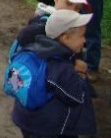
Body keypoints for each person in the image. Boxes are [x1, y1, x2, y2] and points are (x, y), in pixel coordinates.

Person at [11, 9, 96, 138]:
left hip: (26, 119)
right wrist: (81, 74)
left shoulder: (36, 48)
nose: (84, 41)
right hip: (49, 129)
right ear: (65, 37)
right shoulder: (61, 67)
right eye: (81, 36)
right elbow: (77, 97)